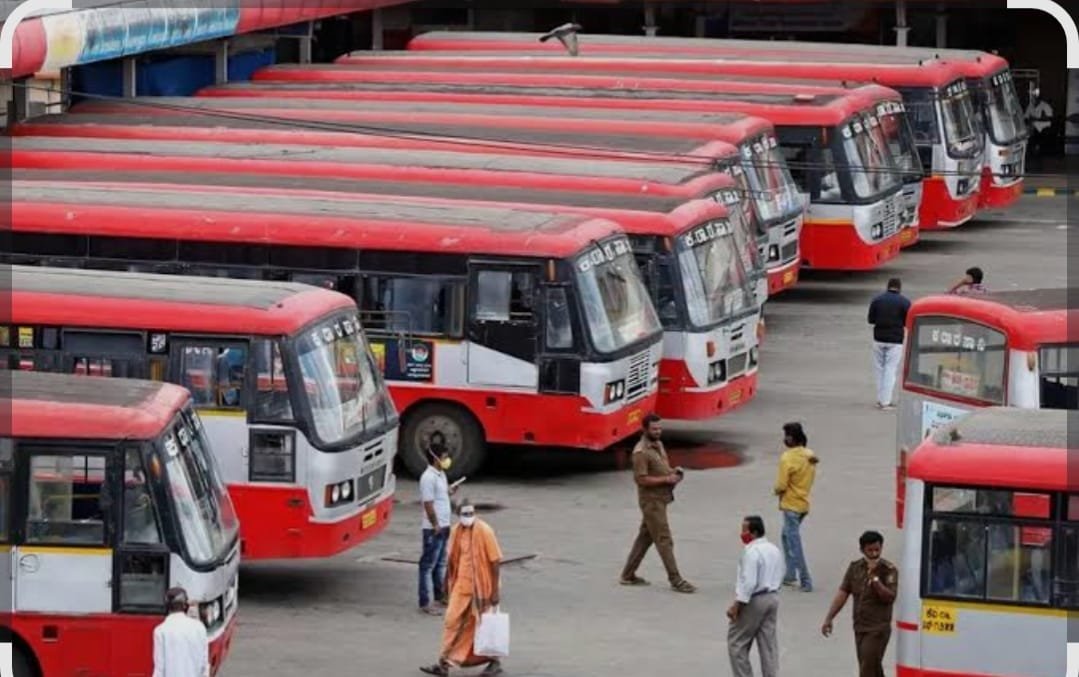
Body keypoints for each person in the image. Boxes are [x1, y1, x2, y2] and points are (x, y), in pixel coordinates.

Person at [420, 501, 504, 677]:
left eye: (470, 513)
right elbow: (452, 560)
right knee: (451, 622)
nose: (468, 517)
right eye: (464, 514)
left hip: (482, 588)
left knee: (483, 626)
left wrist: (495, 591)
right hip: (460, 586)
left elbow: (495, 561)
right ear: (458, 515)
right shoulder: (456, 531)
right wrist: (445, 584)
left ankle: (495, 662)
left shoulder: (485, 531)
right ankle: (444, 663)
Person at [618, 413, 696, 593]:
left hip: (661, 498)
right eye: (654, 429)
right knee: (664, 539)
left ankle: (627, 575)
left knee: (645, 537)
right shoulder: (641, 452)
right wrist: (667, 480)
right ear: (644, 429)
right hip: (651, 502)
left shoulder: (658, 445)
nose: (658, 432)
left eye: (660, 428)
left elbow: (662, 468)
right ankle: (676, 580)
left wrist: (673, 473)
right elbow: (641, 479)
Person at [821, 530, 899, 677]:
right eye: (870, 550)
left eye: (877, 549)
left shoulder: (889, 570)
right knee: (872, 667)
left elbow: (890, 597)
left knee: (867, 669)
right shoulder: (855, 568)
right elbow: (843, 593)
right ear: (862, 550)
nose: (874, 554)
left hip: (877, 629)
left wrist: (875, 580)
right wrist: (829, 618)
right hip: (860, 627)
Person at [726, 516, 785, 677]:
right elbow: (780, 574)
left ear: (754, 532)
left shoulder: (751, 552)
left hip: (755, 599)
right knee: (768, 644)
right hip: (772, 597)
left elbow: (749, 582)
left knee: (737, 643)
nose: (742, 533)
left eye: (745, 530)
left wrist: (737, 605)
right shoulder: (774, 549)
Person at [773, 422, 818, 592]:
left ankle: (805, 579)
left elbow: (781, 484)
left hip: (791, 504)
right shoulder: (809, 454)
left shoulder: (787, 458)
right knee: (786, 536)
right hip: (803, 503)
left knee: (794, 542)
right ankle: (790, 575)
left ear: (790, 438)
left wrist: (776, 491)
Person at [419, 433, 457, 615]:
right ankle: (426, 602)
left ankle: (440, 596)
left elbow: (441, 497)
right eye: (443, 457)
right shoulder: (428, 478)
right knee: (428, 565)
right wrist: (435, 525)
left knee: (440, 563)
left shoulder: (441, 475)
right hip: (434, 528)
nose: (446, 460)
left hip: (444, 525)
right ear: (435, 459)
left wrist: (450, 491)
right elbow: (428, 503)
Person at [866, 278, 911, 409]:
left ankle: (880, 399)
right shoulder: (905, 302)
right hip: (895, 340)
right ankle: (886, 402)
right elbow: (907, 322)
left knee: (879, 370)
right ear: (899, 287)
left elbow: (870, 320)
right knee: (890, 370)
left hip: (878, 338)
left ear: (888, 286)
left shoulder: (877, 300)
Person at [153, 587, 209, 677]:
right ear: (185, 605)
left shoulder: (160, 631)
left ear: (167, 606)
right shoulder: (200, 627)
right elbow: (204, 665)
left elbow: (160, 669)